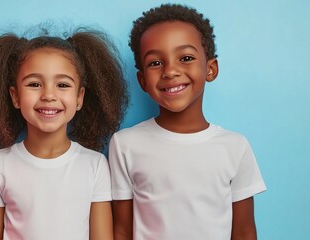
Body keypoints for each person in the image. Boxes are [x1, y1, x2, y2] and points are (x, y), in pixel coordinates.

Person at [109, 3, 266, 240]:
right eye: (155, 62)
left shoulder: (235, 147)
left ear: (210, 69)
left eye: (185, 57)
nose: (170, 71)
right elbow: (121, 230)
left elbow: (244, 231)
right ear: (142, 80)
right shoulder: (125, 144)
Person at [0, 26, 128, 239]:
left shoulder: (95, 165)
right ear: (15, 96)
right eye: (34, 84)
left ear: (79, 98)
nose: (49, 95)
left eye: (62, 84)